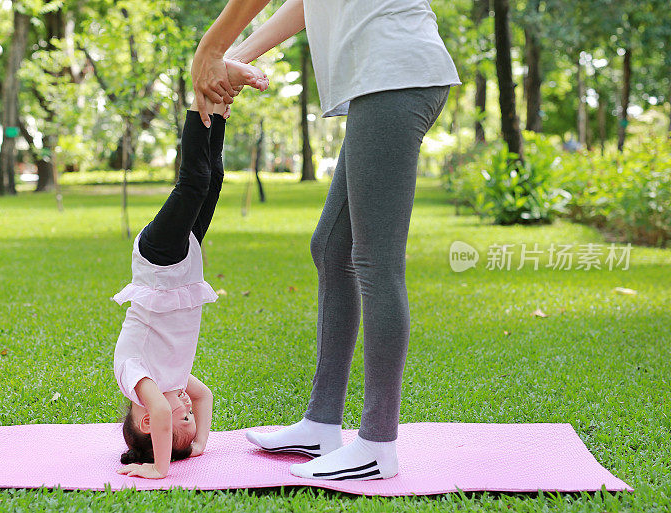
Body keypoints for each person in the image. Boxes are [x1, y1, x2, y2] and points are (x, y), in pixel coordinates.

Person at [192, 0, 461, 480]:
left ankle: (378, 444)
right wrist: (238, 60)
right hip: (384, 76)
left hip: (395, 73)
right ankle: (321, 423)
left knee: (376, 262)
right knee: (331, 249)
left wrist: (209, 50)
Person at [113, 60, 269, 479]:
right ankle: (218, 104)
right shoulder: (176, 381)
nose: (185, 409)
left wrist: (159, 469)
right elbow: (205, 396)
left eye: (182, 421)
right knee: (213, 179)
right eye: (188, 418)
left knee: (193, 183)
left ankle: (202, 92)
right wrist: (200, 441)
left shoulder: (135, 379)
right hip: (182, 268)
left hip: (158, 262)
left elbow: (164, 410)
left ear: (147, 421)